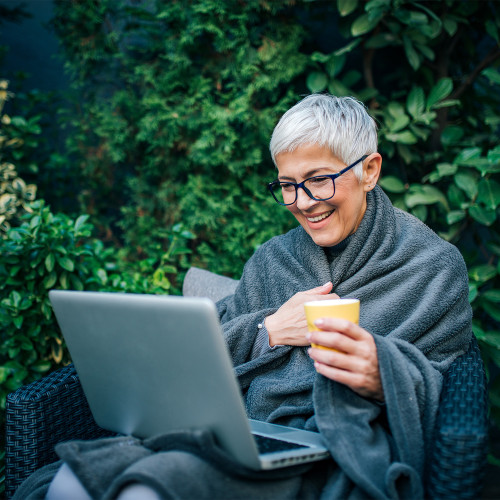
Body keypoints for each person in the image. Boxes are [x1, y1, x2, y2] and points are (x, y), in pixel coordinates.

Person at [17, 94, 472, 500]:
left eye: (318, 179)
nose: (304, 201)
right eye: (287, 185)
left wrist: (382, 374)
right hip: (237, 433)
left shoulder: (430, 266)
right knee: (69, 483)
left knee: (144, 487)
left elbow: (450, 386)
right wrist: (269, 330)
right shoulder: (273, 259)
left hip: (335, 449)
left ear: (369, 170)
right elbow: (208, 345)